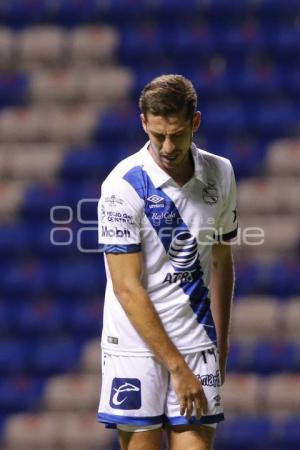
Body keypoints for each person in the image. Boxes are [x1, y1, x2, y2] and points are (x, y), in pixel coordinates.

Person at [97, 74, 237, 450]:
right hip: (135, 345)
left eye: (177, 134)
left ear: (195, 122)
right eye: (158, 135)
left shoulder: (220, 173)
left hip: (196, 341)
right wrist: (176, 366)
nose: (168, 146)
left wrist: (220, 347)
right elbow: (127, 287)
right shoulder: (121, 186)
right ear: (144, 123)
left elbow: (222, 261)